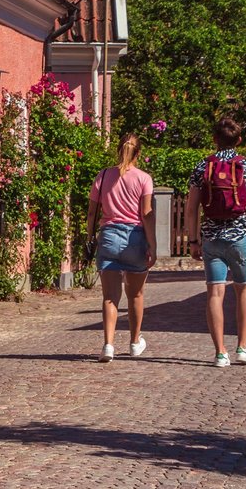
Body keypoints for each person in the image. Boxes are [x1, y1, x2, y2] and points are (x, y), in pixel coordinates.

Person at [185, 117, 246, 367]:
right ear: (239, 140)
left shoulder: (202, 167)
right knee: (244, 290)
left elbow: (192, 208)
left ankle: (220, 353)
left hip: (212, 239)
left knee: (215, 292)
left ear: (214, 139)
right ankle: (242, 347)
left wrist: (193, 240)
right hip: (240, 239)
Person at [87, 133, 157, 363]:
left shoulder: (104, 175)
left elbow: (92, 211)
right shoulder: (144, 178)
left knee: (110, 297)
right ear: (138, 153)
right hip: (134, 238)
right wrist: (152, 244)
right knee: (136, 294)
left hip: (108, 236)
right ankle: (135, 343)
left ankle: (108, 345)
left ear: (118, 150)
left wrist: (90, 235)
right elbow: (146, 214)